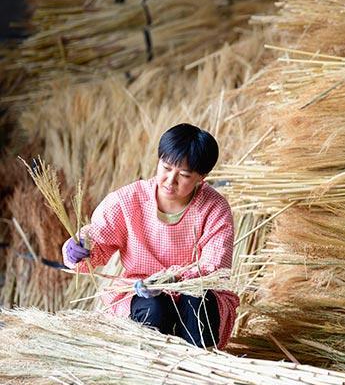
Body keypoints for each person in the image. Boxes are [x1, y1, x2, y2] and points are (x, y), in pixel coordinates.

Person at [62, 123, 239, 349]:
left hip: (194, 290)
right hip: (141, 290)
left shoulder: (215, 208)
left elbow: (215, 268)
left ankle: (197, 370)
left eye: (183, 175)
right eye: (165, 167)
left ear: (201, 178)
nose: (170, 180)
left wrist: (172, 280)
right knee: (154, 306)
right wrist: (79, 248)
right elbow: (97, 239)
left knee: (197, 299)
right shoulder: (128, 200)